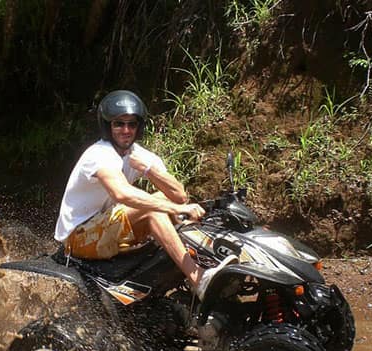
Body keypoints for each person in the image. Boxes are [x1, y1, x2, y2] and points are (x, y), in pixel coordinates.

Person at [54, 90, 237, 301]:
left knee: (163, 199)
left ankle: (188, 266)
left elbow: (179, 196)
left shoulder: (138, 154)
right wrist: (177, 209)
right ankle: (197, 278)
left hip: (104, 225)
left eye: (131, 124)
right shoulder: (99, 154)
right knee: (154, 210)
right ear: (108, 126)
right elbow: (121, 193)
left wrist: (151, 171)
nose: (126, 130)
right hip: (77, 238)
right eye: (119, 124)